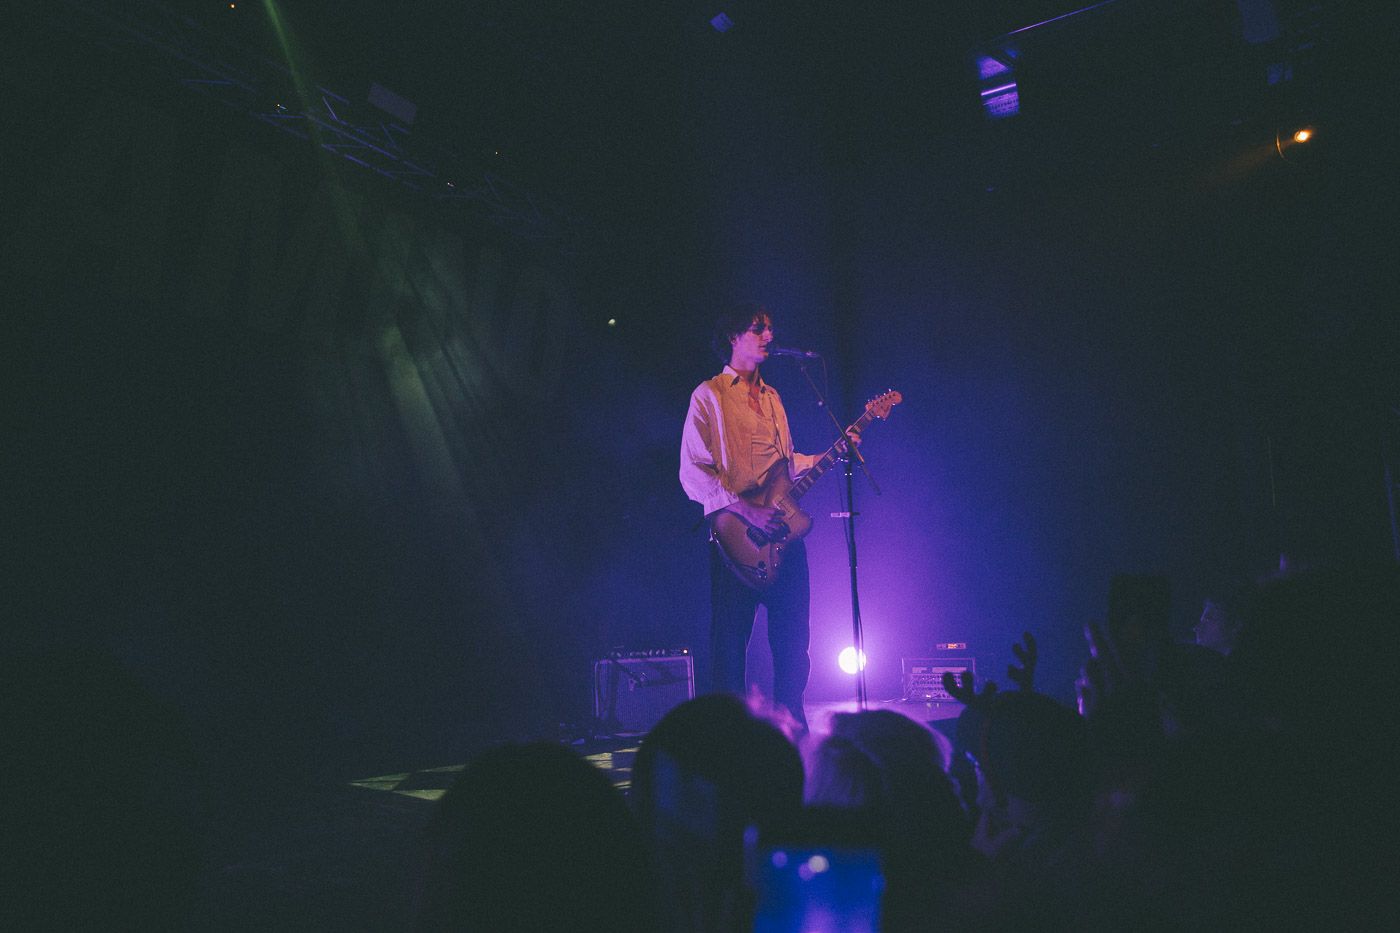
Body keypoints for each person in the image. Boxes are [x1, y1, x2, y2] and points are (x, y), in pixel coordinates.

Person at [679, 302, 823, 730]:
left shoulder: (775, 397)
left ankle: (792, 725)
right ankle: (729, 734)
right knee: (729, 646)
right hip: (736, 539)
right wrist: (746, 511)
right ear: (732, 337)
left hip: (783, 535)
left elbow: (786, 464)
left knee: (794, 641)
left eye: (770, 329)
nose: (768, 336)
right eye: (758, 328)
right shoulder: (709, 395)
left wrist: (831, 452)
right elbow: (693, 469)